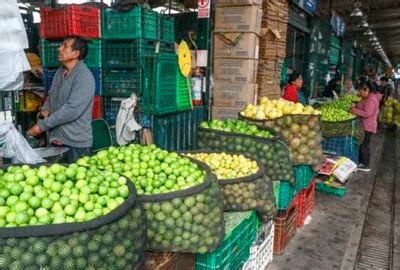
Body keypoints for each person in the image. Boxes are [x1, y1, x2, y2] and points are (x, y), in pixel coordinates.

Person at [28, 36, 95, 163]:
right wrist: (46, 109)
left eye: (65, 46)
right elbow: (52, 96)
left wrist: (42, 126)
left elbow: (71, 110)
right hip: (57, 140)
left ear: (76, 53)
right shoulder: (60, 72)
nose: (59, 49)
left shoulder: (84, 77)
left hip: (76, 144)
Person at [351, 76, 382, 172]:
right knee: (363, 145)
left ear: (367, 90)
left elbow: (367, 113)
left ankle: (366, 165)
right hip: (365, 125)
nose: (360, 93)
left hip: (368, 126)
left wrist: (354, 110)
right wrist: (356, 105)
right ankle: (362, 162)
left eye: (361, 91)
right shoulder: (368, 97)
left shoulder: (371, 99)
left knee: (365, 145)